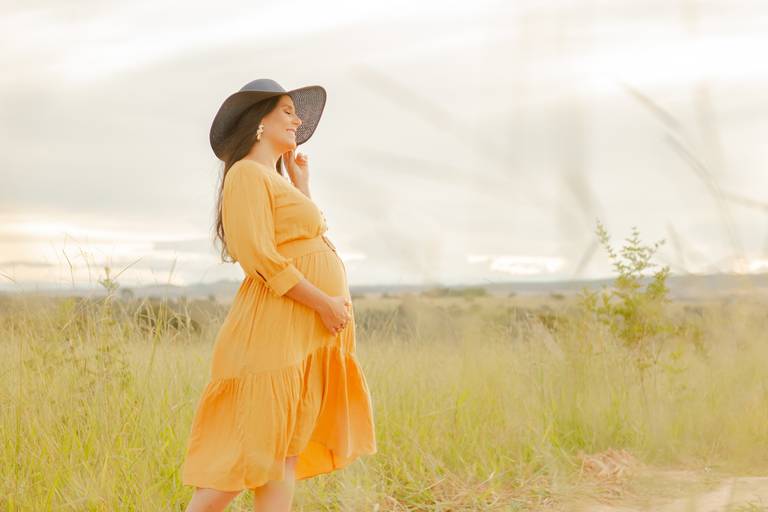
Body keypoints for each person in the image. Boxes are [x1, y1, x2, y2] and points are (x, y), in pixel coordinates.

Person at [181, 79, 377, 512]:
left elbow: (302, 237)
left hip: (300, 332)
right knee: (251, 455)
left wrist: (301, 184)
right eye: (287, 111)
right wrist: (323, 303)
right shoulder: (246, 174)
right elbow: (260, 258)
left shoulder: (275, 178)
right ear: (259, 121)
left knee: (282, 453)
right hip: (275, 327)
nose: (297, 119)